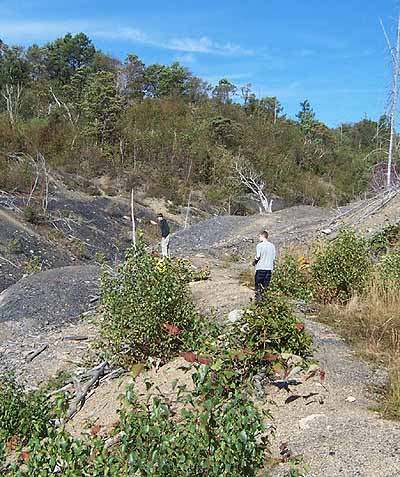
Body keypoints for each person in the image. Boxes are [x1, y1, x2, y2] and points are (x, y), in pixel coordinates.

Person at [253, 230, 276, 300]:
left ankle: (258, 301)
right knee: (266, 285)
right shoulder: (272, 246)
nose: (259, 238)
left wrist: (254, 262)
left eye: (259, 236)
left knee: (258, 285)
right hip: (269, 268)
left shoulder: (259, 245)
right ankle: (265, 300)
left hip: (261, 268)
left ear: (263, 236)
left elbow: (258, 256)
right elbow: (274, 257)